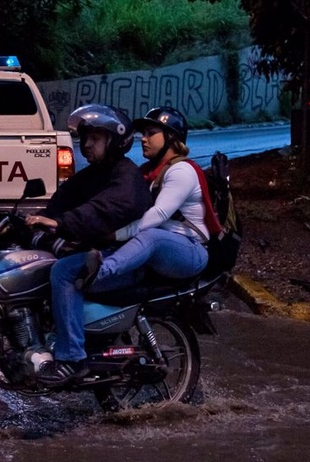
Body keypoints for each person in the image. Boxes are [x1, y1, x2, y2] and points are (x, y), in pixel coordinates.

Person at [38, 106, 216, 387]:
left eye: (151, 133)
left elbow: (155, 218)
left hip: (188, 250)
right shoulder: (149, 172)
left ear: (171, 138)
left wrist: (114, 237)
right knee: (63, 270)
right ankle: (66, 349)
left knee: (152, 236)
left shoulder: (181, 171)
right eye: (142, 133)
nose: (143, 138)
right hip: (154, 251)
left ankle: (102, 272)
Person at [25, 104, 150, 255]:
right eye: (86, 138)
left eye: (95, 138)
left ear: (115, 141)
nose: (87, 144)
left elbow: (104, 209)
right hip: (93, 243)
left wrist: (61, 223)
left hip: (115, 250)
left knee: (61, 273)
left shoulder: (127, 176)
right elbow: (64, 198)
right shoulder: (93, 172)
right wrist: (38, 218)